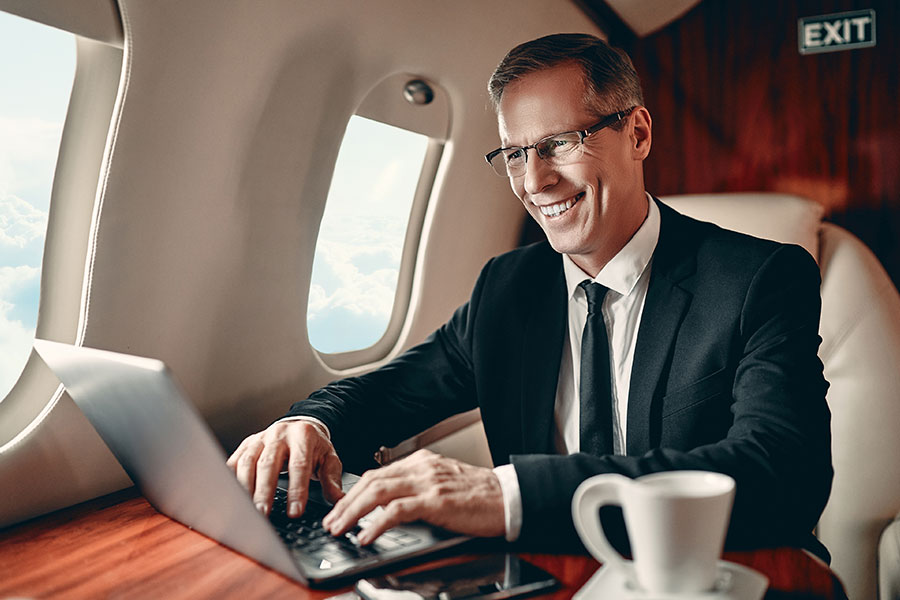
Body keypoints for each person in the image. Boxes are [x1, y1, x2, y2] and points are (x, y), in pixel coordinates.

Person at [227, 33, 832, 559]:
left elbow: (782, 470)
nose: (536, 181)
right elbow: (387, 393)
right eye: (516, 153)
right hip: (547, 575)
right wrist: (310, 424)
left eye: (562, 142)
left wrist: (507, 494)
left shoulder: (761, 278)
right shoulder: (507, 288)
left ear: (639, 134)